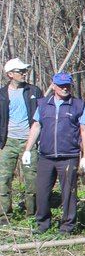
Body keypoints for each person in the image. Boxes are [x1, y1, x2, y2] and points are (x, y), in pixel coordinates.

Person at [22, 72, 85, 235]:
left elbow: (84, 130)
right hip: (45, 156)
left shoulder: (78, 105)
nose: (65, 88)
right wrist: (27, 150)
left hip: (69, 157)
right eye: (61, 85)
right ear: (53, 86)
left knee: (68, 193)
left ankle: (67, 227)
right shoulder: (43, 104)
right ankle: (42, 224)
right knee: (42, 191)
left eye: (67, 85)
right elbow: (36, 126)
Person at [0, 58, 41, 221]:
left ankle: (33, 214)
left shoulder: (33, 91)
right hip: (7, 142)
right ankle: (4, 215)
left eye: (25, 71)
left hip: (28, 142)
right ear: (10, 74)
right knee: (3, 179)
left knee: (32, 179)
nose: (24, 74)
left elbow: (41, 114)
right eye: (20, 71)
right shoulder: (2, 94)